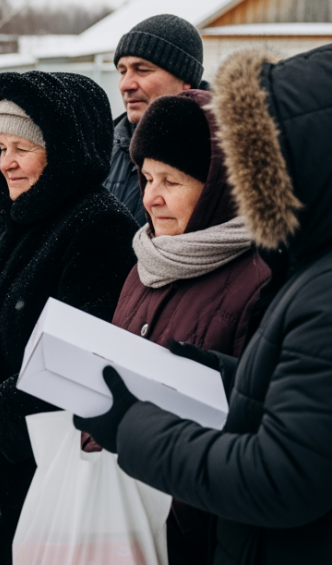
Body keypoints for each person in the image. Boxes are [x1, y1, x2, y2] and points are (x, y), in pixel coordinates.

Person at [75, 42, 332, 565]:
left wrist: (131, 426)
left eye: (261, 155)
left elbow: (279, 477)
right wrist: (223, 374)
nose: (250, 178)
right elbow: (327, 403)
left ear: (313, 153)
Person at [0, 71, 138, 565]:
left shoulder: (100, 229)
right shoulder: (5, 225)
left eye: (23, 147)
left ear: (63, 150)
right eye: (0, 146)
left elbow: (86, 357)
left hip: (45, 473)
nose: (7, 163)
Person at [82, 90, 271, 565]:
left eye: (171, 180)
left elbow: (254, 422)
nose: (151, 197)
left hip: (191, 531)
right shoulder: (145, 260)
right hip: (115, 510)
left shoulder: (258, 279)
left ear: (216, 186)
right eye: (145, 178)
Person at [105, 13, 206, 225]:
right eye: (122, 71)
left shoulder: (218, 151)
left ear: (185, 79)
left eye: (141, 70)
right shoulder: (106, 148)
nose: (125, 84)